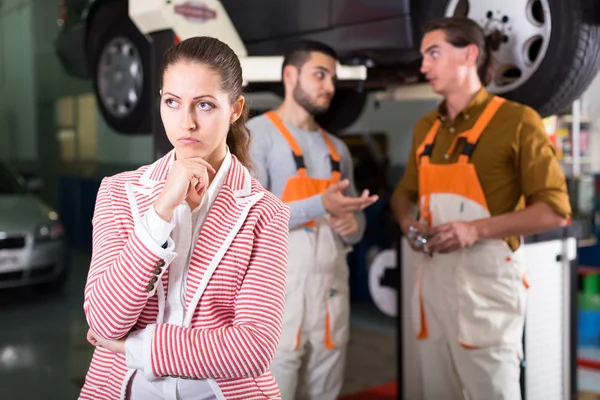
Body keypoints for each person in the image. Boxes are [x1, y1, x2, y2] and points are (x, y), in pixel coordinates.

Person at [79, 36, 291, 400]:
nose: (186, 123)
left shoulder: (264, 212)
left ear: (235, 109)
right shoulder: (119, 192)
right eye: (172, 102)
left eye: (205, 105)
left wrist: (137, 347)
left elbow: (253, 348)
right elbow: (104, 321)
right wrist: (160, 212)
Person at [391, 17, 572, 400]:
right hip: (432, 283)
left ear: (470, 54)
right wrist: (408, 224)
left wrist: (473, 230)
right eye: (424, 55)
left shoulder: (517, 121)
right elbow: (403, 192)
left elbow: (554, 210)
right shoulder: (427, 127)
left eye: (433, 53)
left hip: (485, 289)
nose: (424, 66)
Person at [247, 40, 378, 399]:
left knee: (328, 387)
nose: (330, 87)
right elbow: (252, 221)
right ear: (290, 75)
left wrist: (353, 227)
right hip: (278, 295)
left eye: (332, 78)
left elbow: (355, 230)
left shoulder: (338, 148)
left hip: (331, 293)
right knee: (274, 389)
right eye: (320, 75)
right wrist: (319, 204)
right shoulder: (257, 136)